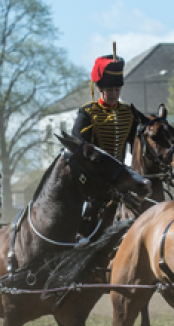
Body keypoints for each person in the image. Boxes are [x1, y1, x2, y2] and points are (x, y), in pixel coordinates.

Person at [70, 53, 143, 239]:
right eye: (109, 89)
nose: (114, 94)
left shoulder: (128, 113)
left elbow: (138, 144)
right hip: (95, 175)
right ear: (100, 89)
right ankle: (80, 237)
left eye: (117, 89)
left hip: (121, 174)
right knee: (84, 209)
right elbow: (78, 145)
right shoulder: (88, 112)